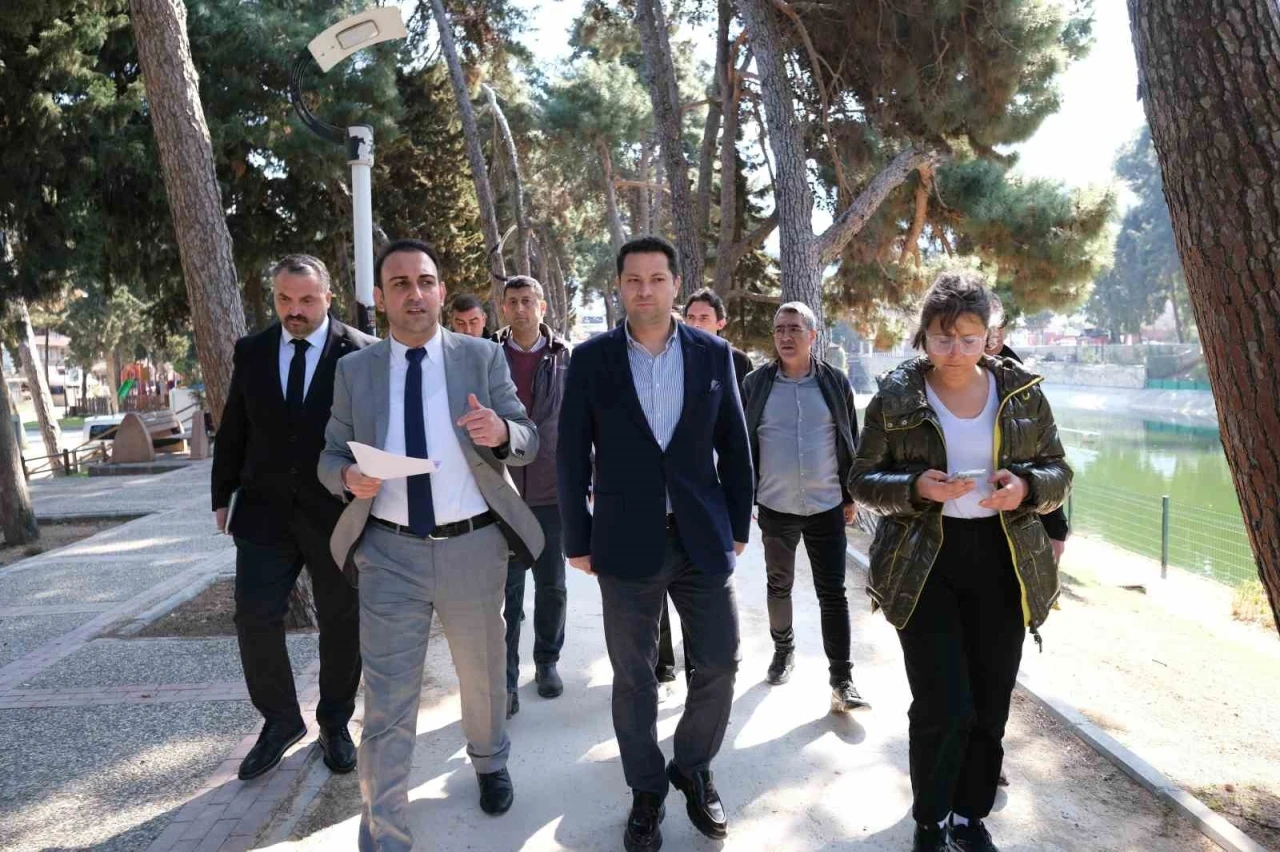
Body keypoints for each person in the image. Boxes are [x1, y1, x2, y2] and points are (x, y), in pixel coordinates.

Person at [317, 239, 544, 851]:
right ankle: (385, 826)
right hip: (389, 554)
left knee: (483, 674)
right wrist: (346, 477)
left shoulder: (480, 356)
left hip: (474, 546)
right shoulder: (355, 370)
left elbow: (527, 438)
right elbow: (329, 455)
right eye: (400, 284)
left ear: (441, 290)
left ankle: (490, 761)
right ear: (380, 297)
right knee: (387, 699)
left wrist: (501, 432)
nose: (414, 294)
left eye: (425, 281)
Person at [850, 271, 1071, 852]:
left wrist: (1025, 488)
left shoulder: (1022, 393)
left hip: (1003, 560)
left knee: (990, 701)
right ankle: (931, 820)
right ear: (924, 334)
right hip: (924, 563)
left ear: (990, 336)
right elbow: (862, 480)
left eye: (969, 339)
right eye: (943, 338)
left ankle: (971, 817)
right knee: (943, 704)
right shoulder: (897, 395)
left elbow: (1058, 470)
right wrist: (916, 487)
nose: (955, 351)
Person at [558, 235, 754, 852]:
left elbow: (735, 447)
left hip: (701, 540)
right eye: (633, 279)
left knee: (719, 661)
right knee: (634, 676)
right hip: (624, 542)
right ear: (619, 286)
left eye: (657, 278)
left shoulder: (713, 354)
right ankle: (646, 789)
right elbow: (570, 455)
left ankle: (692, 768)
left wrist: (739, 526)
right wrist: (576, 537)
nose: (645, 289)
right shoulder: (591, 360)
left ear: (675, 284)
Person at [211, 254, 373, 781]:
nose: (294, 310)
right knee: (253, 616)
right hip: (264, 512)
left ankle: (334, 722)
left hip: (336, 511)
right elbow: (234, 427)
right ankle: (280, 720)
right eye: (284, 299)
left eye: (306, 299)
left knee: (342, 619)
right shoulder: (252, 350)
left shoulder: (360, 351)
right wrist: (221, 494)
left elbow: (374, 432)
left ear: (328, 296)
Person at [741, 301, 868, 712]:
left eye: (795, 328)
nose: (786, 336)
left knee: (833, 592)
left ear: (813, 335)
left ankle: (842, 679)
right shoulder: (755, 384)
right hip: (775, 505)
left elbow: (849, 440)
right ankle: (784, 650)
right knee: (779, 585)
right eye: (780, 329)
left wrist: (850, 495)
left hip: (826, 504)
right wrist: (745, 496)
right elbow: (742, 442)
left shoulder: (835, 383)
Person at [492, 275, 571, 719]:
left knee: (552, 585)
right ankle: (506, 678)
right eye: (513, 301)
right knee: (507, 592)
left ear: (542, 307)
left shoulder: (566, 357)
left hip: (550, 491)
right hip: (501, 493)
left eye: (528, 301)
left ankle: (547, 662)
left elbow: (581, 422)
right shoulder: (488, 354)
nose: (520, 308)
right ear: (503, 308)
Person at [984, 295, 1070, 563]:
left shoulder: (1024, 384)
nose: (992, 336)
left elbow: (1048, 458)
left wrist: (1056, 528)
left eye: (998, 327)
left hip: (1019, 525)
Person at [683, 288, 753, 391]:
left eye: (704, 318)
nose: (695, 324)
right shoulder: (676, 356)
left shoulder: (738, 361)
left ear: (720, 323)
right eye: (691, 317)